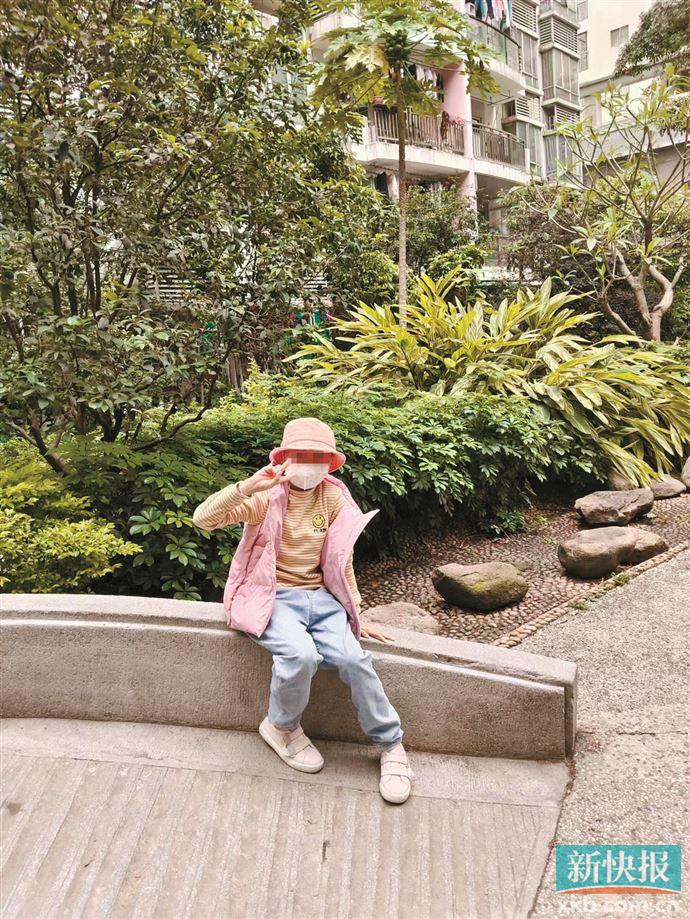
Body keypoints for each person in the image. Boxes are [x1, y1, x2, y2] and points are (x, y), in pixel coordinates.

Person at [192, 417, 414, 804]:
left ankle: (391, 744)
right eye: (302, 455)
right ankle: (281, 727)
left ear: (329, 462)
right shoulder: (267, 496)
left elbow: (341, 560)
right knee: (300, 655)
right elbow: (203, 519)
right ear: (285, 458)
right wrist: (247, 487)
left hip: (322, 599)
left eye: (318, 456)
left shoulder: (334, 498)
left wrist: (357, 612)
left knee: (354, 659)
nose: (310, 464)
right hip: (274, 596)